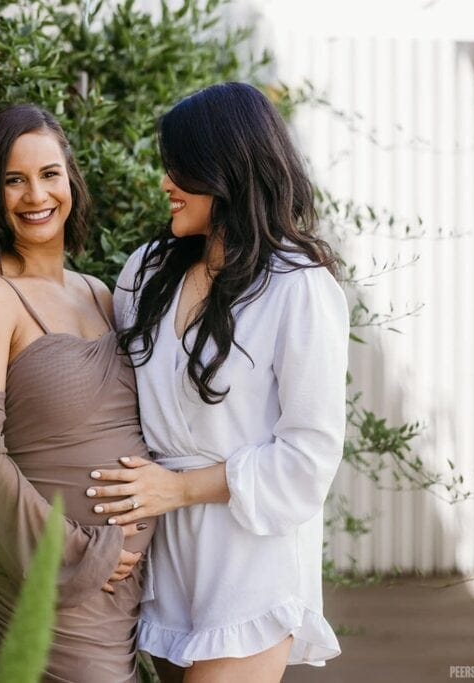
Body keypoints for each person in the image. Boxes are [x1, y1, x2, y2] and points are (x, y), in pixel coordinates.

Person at [87, 82, 349, 682]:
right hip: (164, 556)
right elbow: (115, 409)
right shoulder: (147, 271)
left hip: (252, 559)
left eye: (179, 167)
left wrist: (175, 491)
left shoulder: (298, 287)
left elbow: (308, 457)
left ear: (225, 169)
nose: (165, 183)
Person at [0, 104, 156, 682]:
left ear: (71, 181)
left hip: (126, 596)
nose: (36, 194)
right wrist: (76, 555)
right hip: (47, 586)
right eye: (14, 179)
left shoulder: (101, 294)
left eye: (49, 174)